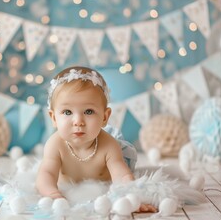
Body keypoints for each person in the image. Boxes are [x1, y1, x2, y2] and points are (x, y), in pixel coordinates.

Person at [36, 66, 156, 212]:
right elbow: (46, 174)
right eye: (67, 112)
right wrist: (54, 195)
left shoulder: (109, 145)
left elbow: (122, 175)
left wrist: (130, 198)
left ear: (105, 117)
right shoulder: (55, 145)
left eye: (88, 111)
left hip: (102, 195)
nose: (78, 121)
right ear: (54, 118)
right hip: (67, 191)